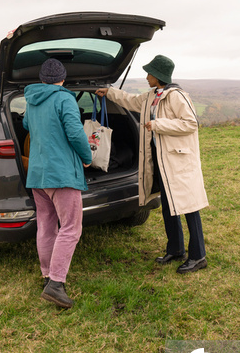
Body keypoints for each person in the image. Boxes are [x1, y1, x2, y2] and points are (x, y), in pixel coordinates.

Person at [96, 55, 209, 273]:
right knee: (169, 205)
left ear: (158, 76)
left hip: (179, 161)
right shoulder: (151, 96)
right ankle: (175, 249)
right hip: (161, 161)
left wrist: (158, 124)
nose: (146, 76)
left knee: (189, 208)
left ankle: (198, 256)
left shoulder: (177, 96)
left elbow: (191, 124)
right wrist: (109, 92)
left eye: (149, 73)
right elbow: (130, 101)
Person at [23, 58, 92, 308]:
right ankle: (56, 284)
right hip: (61, 174)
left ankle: (47, 275)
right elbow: (74, 132)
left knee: (46, 225)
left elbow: (26, 125)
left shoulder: (32, 100)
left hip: (38, 174)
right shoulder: (64, 99)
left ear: (42, 79)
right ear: (63, 79)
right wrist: (87, 157)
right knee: (71, 227)